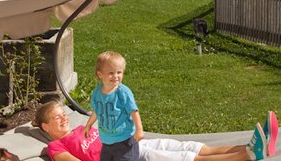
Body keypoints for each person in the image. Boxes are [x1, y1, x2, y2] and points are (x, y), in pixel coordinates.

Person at [36, 100, 256, 161]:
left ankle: (248, 147)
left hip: (133, 146)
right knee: (184, 158)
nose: (64, 118)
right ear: (46, 126)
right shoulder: (56, 146)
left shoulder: (79, 128)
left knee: (189, 146)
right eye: (57, 117)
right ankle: (245, 157)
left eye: (64, 114)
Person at [84, 51, 142, 161]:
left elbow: (134, 111)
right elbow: (97, 110)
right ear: (100, 74)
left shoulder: (123, 92)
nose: (116, 76)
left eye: (119, 72)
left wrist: (139, 129)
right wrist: (88, 125)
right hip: (106, 141)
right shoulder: (97, 93)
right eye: (111, 73)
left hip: (124, 140)